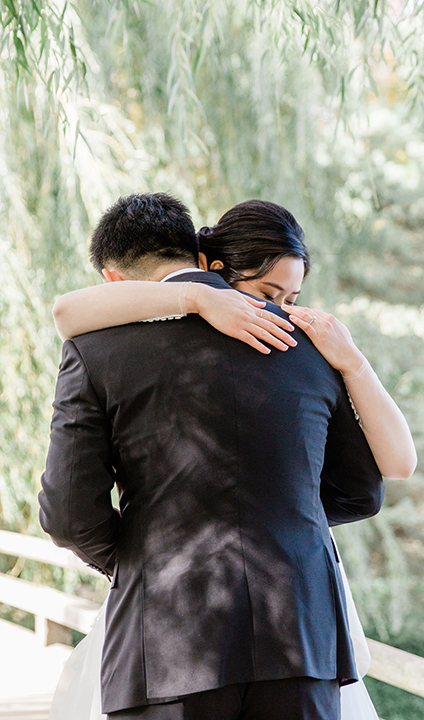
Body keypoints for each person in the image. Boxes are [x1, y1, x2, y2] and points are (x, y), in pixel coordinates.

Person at [37, 194, 404, 720]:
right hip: (302, 637)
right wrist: (281, 514)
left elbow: (71, 516)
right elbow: (361, 492)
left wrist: (144, 557)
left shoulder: (96, 347)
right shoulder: (314, 344)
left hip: (167, 644)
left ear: (113, 279)